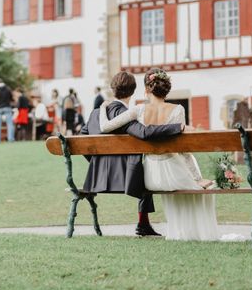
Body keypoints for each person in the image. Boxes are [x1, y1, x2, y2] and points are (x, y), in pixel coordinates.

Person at [98, 68, 219, 241]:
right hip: (172, 173)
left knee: (196, 186)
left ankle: (180, 229)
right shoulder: (178, 109)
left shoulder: (138, 110)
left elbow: (105, 127)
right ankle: (192, 231)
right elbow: (184, 150)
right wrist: (197, 178)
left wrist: (103, 107)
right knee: (206, 188)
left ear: (147, 89)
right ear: (166, 90)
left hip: (151, 177)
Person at [81, 71, 184, 237]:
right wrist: (177, 127)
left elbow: (81, 139)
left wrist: (95, 162)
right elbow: (144, 132)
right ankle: (143, 223)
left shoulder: (95, 114)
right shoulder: (125, 115)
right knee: (144, 170)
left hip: (96, 177)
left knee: (141, 167)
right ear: (133, 91)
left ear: (112, 89)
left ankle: (144, 224)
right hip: (125, 179)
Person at [0, 79, 14, 143]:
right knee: (10, 124)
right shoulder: (8, 89)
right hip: (7, 107)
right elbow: (11, 98)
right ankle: (11, 139)